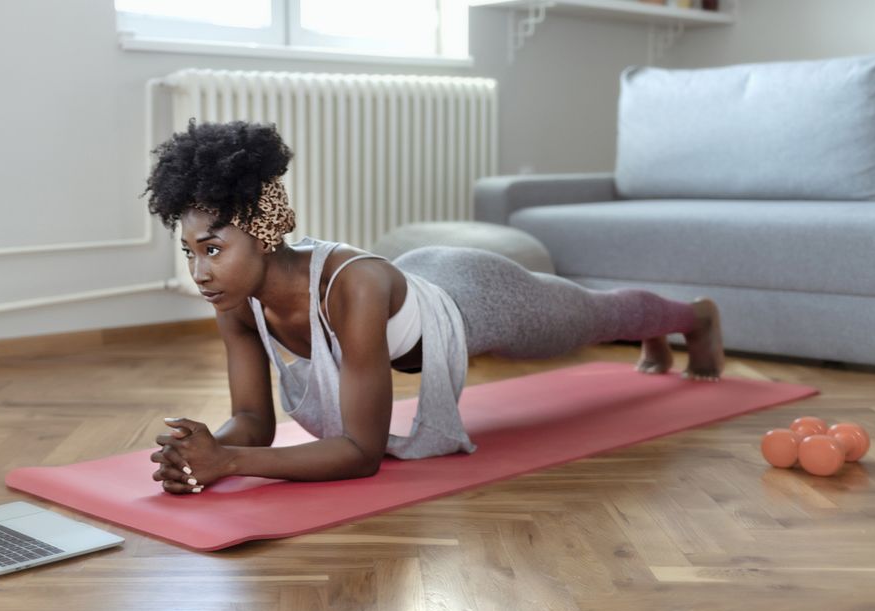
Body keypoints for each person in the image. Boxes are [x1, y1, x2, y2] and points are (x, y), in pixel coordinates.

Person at [145, 120, 724, 492]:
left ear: (264, 233)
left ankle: (692, 317)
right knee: (593, 315)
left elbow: (360, 452)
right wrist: (207, 450)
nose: (200, 273)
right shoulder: (236, 299)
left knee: (593, 316)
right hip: (416, 286)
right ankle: (666, 326)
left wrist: (229, 464)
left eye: (214, 249)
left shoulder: (353, 287)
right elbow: (254, 423)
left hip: (472, 294)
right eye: (190, 252)